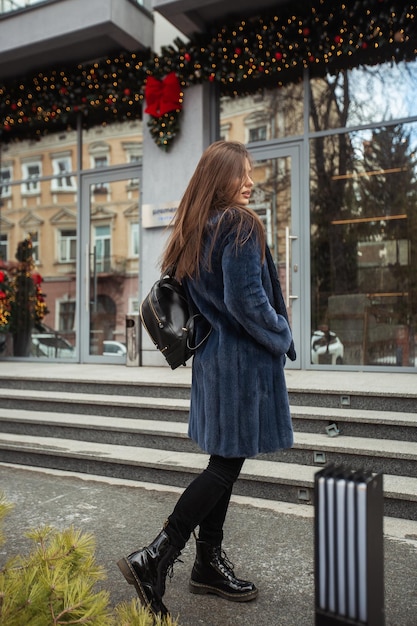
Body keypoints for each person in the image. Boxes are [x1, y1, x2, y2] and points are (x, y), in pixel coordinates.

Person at [117, 140, 296, 618]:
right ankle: (156, 556)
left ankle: (206, 563)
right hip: (241, 364)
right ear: (222, 179)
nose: (251, 182)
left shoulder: (197, 229)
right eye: (244, 174)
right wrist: (282, 333)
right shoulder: (239, 225)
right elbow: (247, 302)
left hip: (215, 363)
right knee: (223, 467)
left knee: (225, 461)